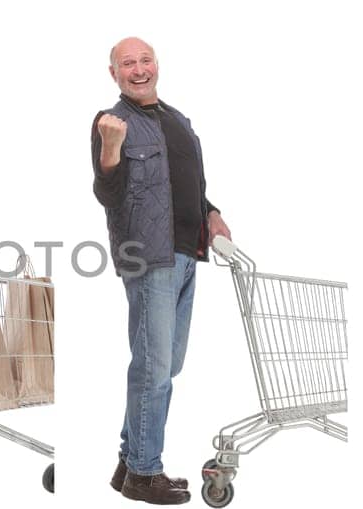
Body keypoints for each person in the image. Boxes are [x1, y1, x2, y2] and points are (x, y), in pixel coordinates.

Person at [92, 36, 231, 506]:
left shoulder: (177, 120)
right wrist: (110, 150)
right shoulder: (112, 122)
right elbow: (109, 193)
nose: (138, 69)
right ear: (113, 73)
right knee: (155, 368)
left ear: (157, 64)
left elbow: (190, 184)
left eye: (144, 59)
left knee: (166, 363)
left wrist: (211, 213)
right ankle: (145, 474)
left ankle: (129, 460)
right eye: (126, 63)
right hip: (148, 255)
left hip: (188, 252)